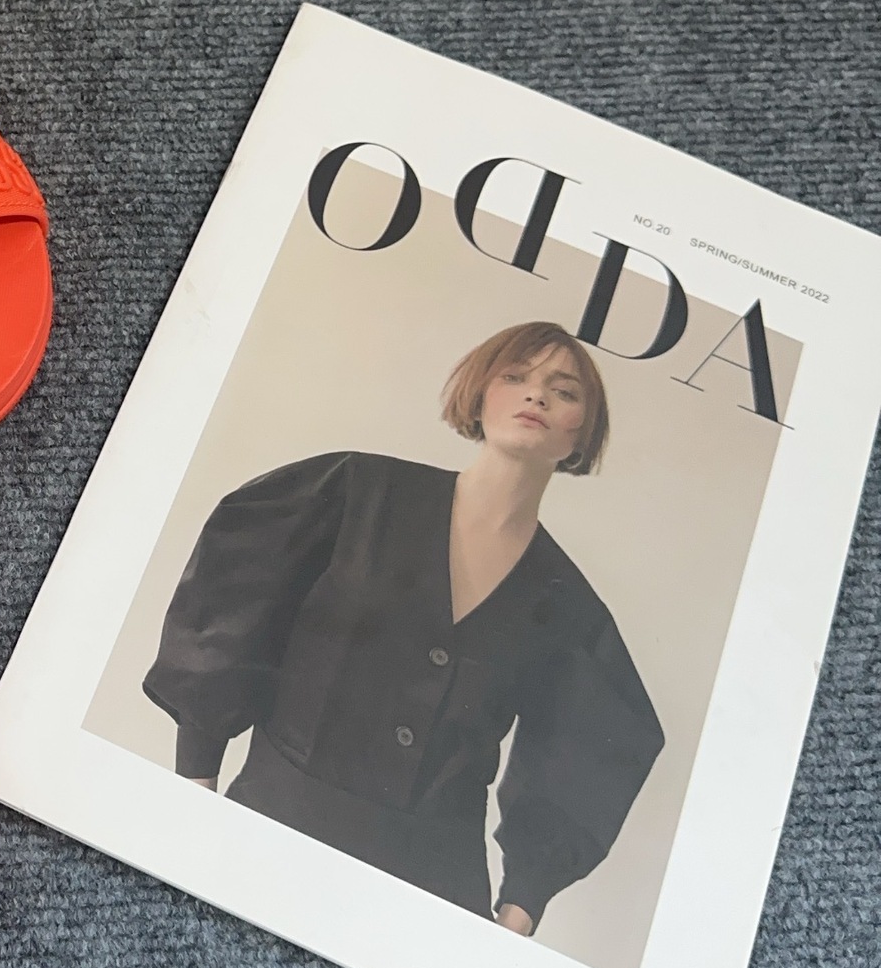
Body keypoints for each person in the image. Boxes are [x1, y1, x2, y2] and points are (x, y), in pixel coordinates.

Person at [143, 321, 663, 935]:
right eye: (515, 376)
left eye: (565, 391)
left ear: (581, 432)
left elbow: (594, 748)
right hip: (272, 826)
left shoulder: (569, 605)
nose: (537, 395)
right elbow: (232, 606)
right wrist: (196, 778)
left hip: (436, 889)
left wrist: (521, 908)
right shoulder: (354, 492)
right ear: (479, 394)